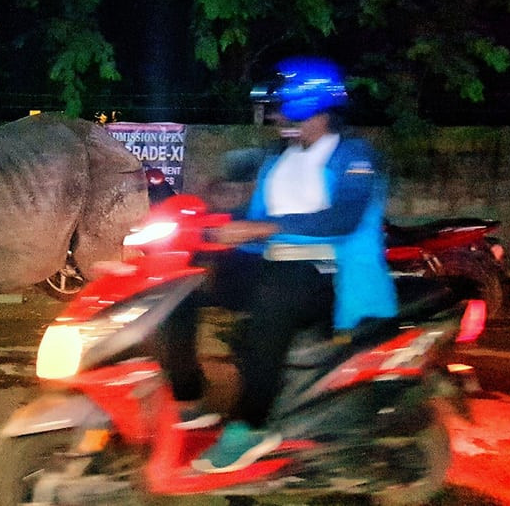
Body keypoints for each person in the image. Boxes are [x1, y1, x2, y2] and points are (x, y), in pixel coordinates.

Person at [157, 56, 398, 473]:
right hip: (272, 262)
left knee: (272, 303)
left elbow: (341, 218)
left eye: (284, 108)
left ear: (316, 109)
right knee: (179, 287)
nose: (277, 117)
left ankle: (251, 426)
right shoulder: (279, 159)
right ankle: (191, 398)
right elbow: (250, 217)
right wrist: (203, 229)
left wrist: (262, 228)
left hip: (329, 274)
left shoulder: (355, 156)